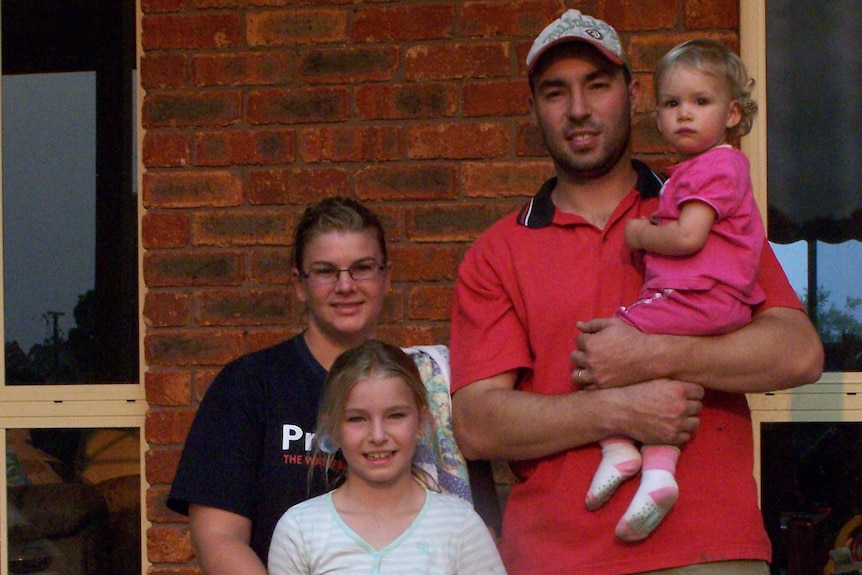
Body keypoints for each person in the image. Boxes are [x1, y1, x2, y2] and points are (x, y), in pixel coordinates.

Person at [448, 9, 823, 575]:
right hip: (556, 558)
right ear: (533, 110)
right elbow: (478, 424)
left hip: (707, 548)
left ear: (632, 92)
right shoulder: (498, 251)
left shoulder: (703, 201)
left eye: (597, 85)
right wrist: (615, 410)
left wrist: (656, 354)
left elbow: (798, 352)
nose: (578, 109)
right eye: (556, 92)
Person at [166, 197, 481, 574]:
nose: (345, 285)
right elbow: (218, 538)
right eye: (326, 271)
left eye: (362, 268)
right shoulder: (248, 386)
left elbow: (475, 528)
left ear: (386, 277)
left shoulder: (429, 386)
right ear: (299, 283)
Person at [586, 38, 766, 542]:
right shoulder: (703, 170)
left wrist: (641, 234)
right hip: (713, 299)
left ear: (732, 113)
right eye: (672, 103)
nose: (684, 114)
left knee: (607, 345)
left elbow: (688, 236)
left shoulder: (715, 167)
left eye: (700, 102)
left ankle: (621, 450)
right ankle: (658, 474)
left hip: (700, 295)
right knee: (666, 371)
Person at [268, 340, 507, 575]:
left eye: (395, 415)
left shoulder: (460, 527)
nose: (378, 436)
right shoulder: (300, 529)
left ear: (421, 421)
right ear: (333, 427)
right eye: (357, 419)